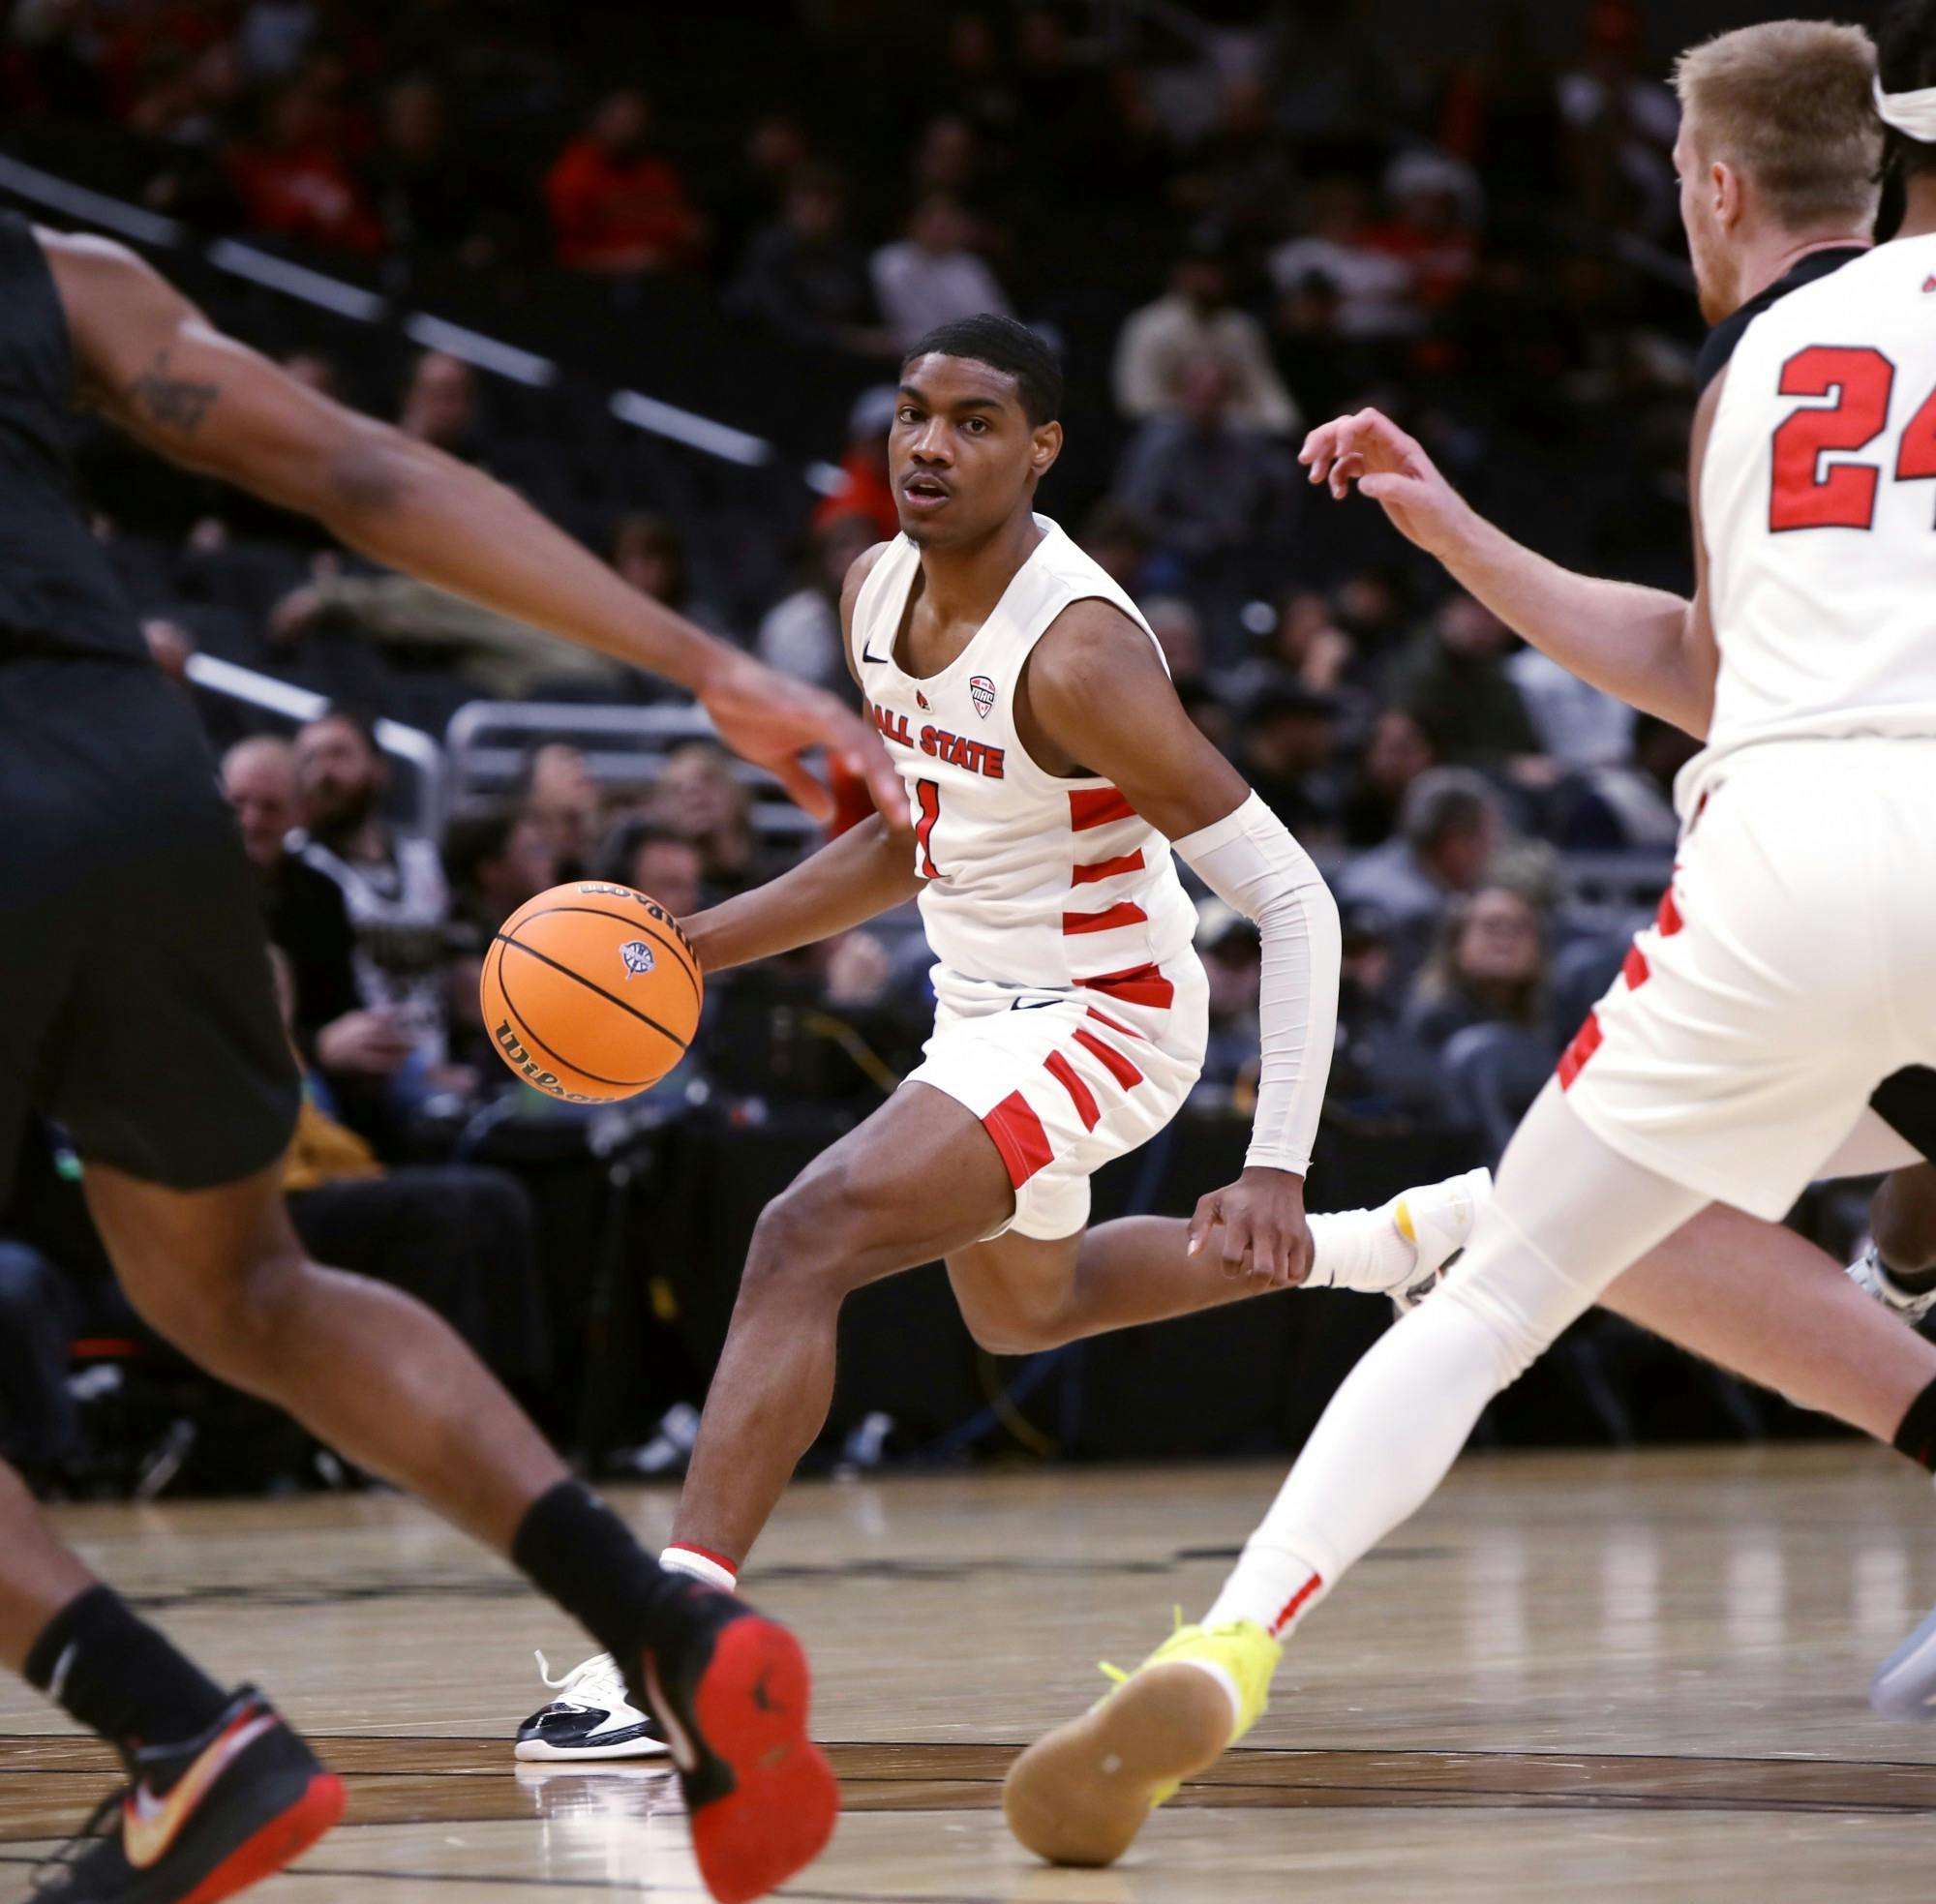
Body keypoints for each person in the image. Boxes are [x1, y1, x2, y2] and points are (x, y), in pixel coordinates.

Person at [1005, 15, 1936, 1864]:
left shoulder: (1756, 361)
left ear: (1721, 187)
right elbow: (1691, 655)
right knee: (1645, 1223)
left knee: (1519, 1277)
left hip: (1792, 850)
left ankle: (1229, 1647)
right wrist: (1455, 532)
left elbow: (1706, 676)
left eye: (1678, 178)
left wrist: (1446, 534)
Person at [0, 207, 889, 1902]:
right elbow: (369, 474)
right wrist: (707, 664)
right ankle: (658, 1628)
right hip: (139, 773)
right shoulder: (61, 272)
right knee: (245, 1289)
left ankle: (182, 1741)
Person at [519, 313, 1491, 1762]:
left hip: (1110, 1013)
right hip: (979, 1007)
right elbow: (910, 838)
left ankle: (671, 1647)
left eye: (974, 421)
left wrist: (1272, 1159)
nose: (928, 444)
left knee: (803, 1234)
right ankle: (1399, 1245)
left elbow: (1295, 900)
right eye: (914, 413)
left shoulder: (1084, 653)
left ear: (1041, 450)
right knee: (1023, 1313)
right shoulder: (867, 590)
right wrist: (694, 947)